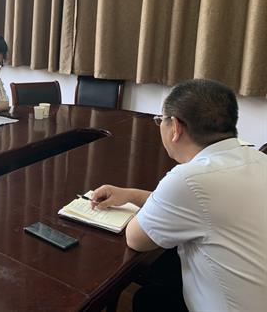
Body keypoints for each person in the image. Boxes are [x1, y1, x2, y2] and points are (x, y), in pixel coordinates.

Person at [91, 79, 267, 312]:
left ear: (175, 127)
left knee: (150, 298)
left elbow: (136, 239)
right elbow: (198, 207)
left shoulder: (190, 179)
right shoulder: (258, 159)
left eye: (160, 120)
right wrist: (131, 195)